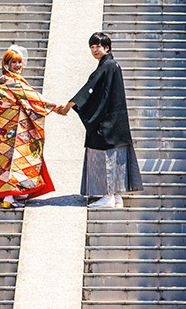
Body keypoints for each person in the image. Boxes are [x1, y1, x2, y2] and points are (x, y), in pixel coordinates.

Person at [57, 31, 143, 209]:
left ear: (107, 48)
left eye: (98, 47)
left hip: (107, 120)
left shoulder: (107, 65)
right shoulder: (113, 65)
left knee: (104, 155)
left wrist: (68, 105)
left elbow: (90, 87)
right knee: (115, 155)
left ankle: (107, 195)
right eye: (92, 47)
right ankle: (116, 195)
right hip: (116, 119)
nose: (95, 50)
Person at [0, 44, 59, 209]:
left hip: (3, 130)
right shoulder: (13, 83)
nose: (18, 66)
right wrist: (55, 107)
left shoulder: (0, 84)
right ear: (6, 64)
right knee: (15, 162)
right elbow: (34, 99)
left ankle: (9, 197)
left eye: (19, 62)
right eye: (13, 62)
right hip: (14, 129)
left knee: (5, 162)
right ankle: (11, 198)